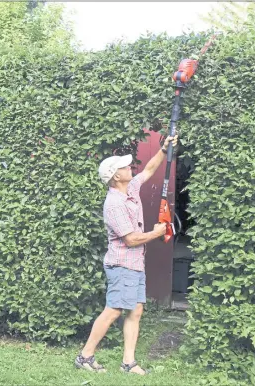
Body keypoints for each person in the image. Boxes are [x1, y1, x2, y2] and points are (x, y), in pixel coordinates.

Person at [74, 134, 178, 376]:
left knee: (136, 310)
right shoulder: (114, 204)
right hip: (122, 264)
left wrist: (164, 149)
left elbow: (149, 170)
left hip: (134, 264)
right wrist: (155, 233)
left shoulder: (130, 187)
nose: (129, 167)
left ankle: (128, 363)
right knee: (114, 309)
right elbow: (130, 239)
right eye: (123, 166)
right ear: (115, 176)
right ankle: (85, 355)